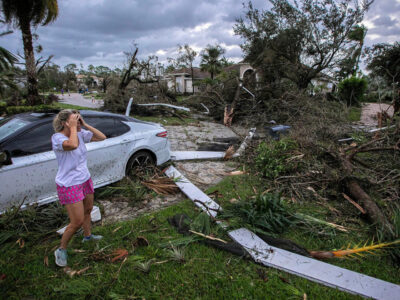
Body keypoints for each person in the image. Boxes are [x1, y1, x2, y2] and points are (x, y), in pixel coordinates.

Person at [52, 109, 106, 267]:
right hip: (69, 184)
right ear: (65, 123)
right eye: (74, 119)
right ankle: (61, 249)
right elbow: (73, 145)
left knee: (88, 210)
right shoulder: (57, 138)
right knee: (76, 221)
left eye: (78, 119)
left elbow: (102, 137)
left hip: (84, 179)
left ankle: (88, 236)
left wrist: (84, 124)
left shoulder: (80, 133)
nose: (78, 122)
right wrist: (75, 128)